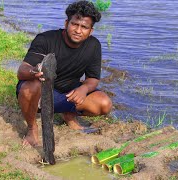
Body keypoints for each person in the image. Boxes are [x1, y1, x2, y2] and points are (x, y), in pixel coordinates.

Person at [16, 0, 112, 147]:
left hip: (68, 94)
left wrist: (83, 89)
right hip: (41, 94)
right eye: (75, 24)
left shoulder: (93, 45)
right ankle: (32, 128)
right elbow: (22, 71)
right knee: (31, 86)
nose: (78, 30)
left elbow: (92, 79)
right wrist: (34, 71)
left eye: (84, 27)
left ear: (90, 31)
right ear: (67, 23)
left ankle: (68, 114)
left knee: (104, 104)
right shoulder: (46, 39)